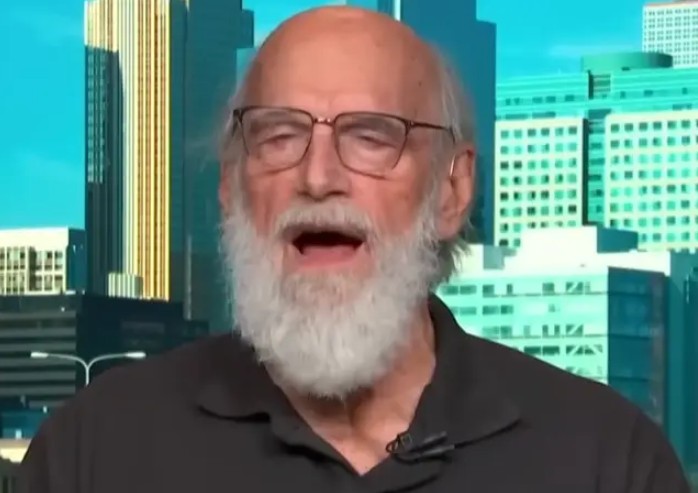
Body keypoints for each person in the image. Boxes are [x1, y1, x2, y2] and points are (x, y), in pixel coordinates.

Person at [19, 6, 690, 493]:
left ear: (452, 190)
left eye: (371, 136)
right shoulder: (93, 454)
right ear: (230, 185)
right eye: (279, 135)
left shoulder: (606, 460)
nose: (318, 176)